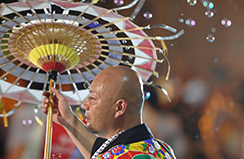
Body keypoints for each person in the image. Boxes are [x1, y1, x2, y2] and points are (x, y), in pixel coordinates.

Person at [42, 66, 176, 159]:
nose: (84, 105)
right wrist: (67, 119)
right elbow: (104, 152)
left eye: (93, 98)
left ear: (119, 108)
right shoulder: (162, 149)